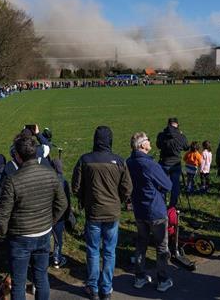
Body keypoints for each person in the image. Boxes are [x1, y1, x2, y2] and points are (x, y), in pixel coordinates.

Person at [0, 135, 68, 300]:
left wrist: (4, 232)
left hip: (21, 237)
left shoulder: (13, 180)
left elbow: (2, 216)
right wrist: (50, 222)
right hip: (42, 233)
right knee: (41, 278)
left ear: (18, 156)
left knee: (19, 283)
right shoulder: (50, 173)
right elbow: (62, 203)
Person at [72, 126, 133, 300]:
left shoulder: (85, 160)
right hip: (112, 212)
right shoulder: (119, 161)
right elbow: (127, 188)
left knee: (93, 250)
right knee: (109, 251)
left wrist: (85, 198)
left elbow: (76, 187)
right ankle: (106, 288)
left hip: (93, 212)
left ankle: (93, 287)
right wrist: (119, 200)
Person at [126, 132, 174, 292]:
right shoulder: (150, 164)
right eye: (147, 140)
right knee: (161, 246)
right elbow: (167, 185)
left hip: (139, 209)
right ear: (142, 145)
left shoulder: (129, 162)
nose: (150, 142)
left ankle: (139, 277)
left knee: (141, 243)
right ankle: (163, 279)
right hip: (155, 210)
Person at [156, 117, 189, 208]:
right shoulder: (180, 136)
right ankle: (172, 206)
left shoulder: (162, 135)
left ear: (168, 124)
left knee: (162, 184)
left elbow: (158, 145)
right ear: (177, 125)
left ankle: (162, 203)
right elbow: (186, 147)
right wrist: (182, 135)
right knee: (175, 185)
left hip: (164, 162)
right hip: (176, 163)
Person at [50, 159, 72, 268]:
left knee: (47, 237)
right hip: (60, 215)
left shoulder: (48, 180)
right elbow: (67, 201)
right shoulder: (63, 181)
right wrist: (68, 215)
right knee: (58, 239)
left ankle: (44, 256)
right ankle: (57, 259)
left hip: (48, 214)